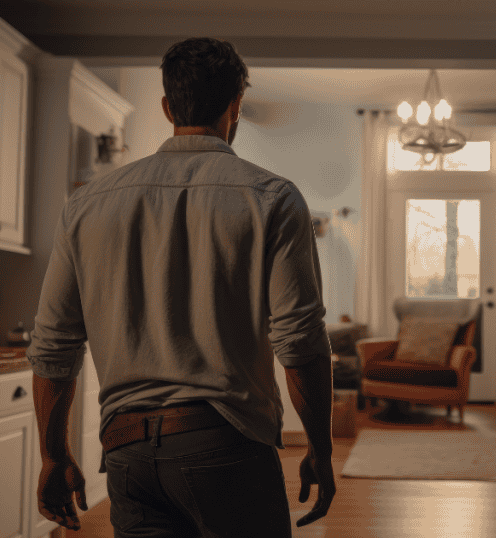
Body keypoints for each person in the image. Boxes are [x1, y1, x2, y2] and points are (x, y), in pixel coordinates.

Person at [27, 37, 336, 537]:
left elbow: (53, 348)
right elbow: (300, 343)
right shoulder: (272, 199)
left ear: (168, 107)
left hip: (126, 451)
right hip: (227, 446)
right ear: (235, 107)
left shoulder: (85, 205)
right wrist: (320, 449)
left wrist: (52, 455)